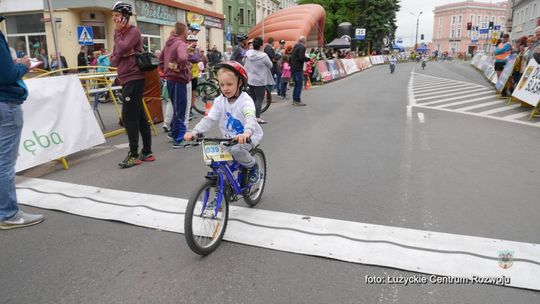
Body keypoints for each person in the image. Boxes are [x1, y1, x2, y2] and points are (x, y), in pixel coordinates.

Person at [184, 61, 263, 183]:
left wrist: (247, 133)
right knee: (218, 160)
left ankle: (253, 167)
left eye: (229, 84)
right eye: (222, 84)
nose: (225, 88)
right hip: (228, 139)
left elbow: (250, 117)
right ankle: (221, 192)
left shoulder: (246, 101)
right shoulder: (219, 101)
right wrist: (195, 131)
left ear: (240, 82)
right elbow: (209, 119)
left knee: (237, 150)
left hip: (249, 136)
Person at [0, 16, 45, 229]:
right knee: (4, 163)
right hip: (5, 104)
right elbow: (7, 75)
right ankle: (8, 214)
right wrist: (23, 66)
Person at [110, 1, 154, 167]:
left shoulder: (133, 31)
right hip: (127, 78)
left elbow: (122, 48)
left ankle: (134, 154)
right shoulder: (122, 34)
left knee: (129, 117)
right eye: (113, 16)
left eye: (117, 16)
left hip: (134, 78)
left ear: (125, 16)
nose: (114, 19)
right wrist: (121, 52)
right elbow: (114, 59)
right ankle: (147, 152)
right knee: (140, 116)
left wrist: (119, 38)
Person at [159, 22, 199, 148]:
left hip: (170, 78)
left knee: (176, 107)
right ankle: (179, 138)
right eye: (187, 30)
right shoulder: (180, 43)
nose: (188, 32)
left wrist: (166, 70)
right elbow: (182, 58)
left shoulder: (169, 42)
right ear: (183, 31)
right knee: (180, 108)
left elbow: (160, 58)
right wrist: (183, 68)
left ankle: (174, 133)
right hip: (179, 79)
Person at [244, 37, 274, 124]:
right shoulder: (263, 56)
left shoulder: (248, 53)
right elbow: (270, 65)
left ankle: (250, 116)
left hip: (250, 79)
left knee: (253, 98)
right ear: (261, 45)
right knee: (259, 99)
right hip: (260, 80)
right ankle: (257, 118)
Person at [289, 36, 310, 106]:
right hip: (298, 68)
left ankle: (295, 99)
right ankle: (297, 100)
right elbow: (301, 57)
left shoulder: (295, 46)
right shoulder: (302, 47)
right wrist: (308, 59)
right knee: (299, 85)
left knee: (296, 84)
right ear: (304, 41)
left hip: (293, 68)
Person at [187, 34, 202, 121]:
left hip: (195, 74)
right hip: (188, 75)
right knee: (188, 95)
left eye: (195, 41)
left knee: (193, 94)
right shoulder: (186, 48)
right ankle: (187, 111)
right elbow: (193, 58)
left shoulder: (196, 50)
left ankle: (191, 110)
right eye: (192, 41)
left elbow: (197, 58)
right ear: (188, 41)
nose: (194, 43)